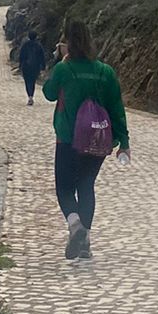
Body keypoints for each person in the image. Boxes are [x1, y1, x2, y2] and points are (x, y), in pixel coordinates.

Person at [42, 19, 129, 261]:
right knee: (86, 186)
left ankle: (75, 225)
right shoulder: (105, 72)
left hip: (68, 139)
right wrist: (124, 142)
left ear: (67, 42)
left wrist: (60, 60)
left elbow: (48, 93)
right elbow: (117, 107)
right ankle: (85, 243)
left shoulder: (63, 69)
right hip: (98, 140)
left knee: (65, 188)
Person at [17, 30, 46, 106]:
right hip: (35, 66)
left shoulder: (25, 45)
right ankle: (31, 96)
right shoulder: (38, 45)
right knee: (32, 82)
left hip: (26, 66)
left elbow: (21, 56)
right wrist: (43, 66)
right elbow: (42, 57)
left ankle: (29, 96)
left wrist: (20, 65)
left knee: (27, 82)